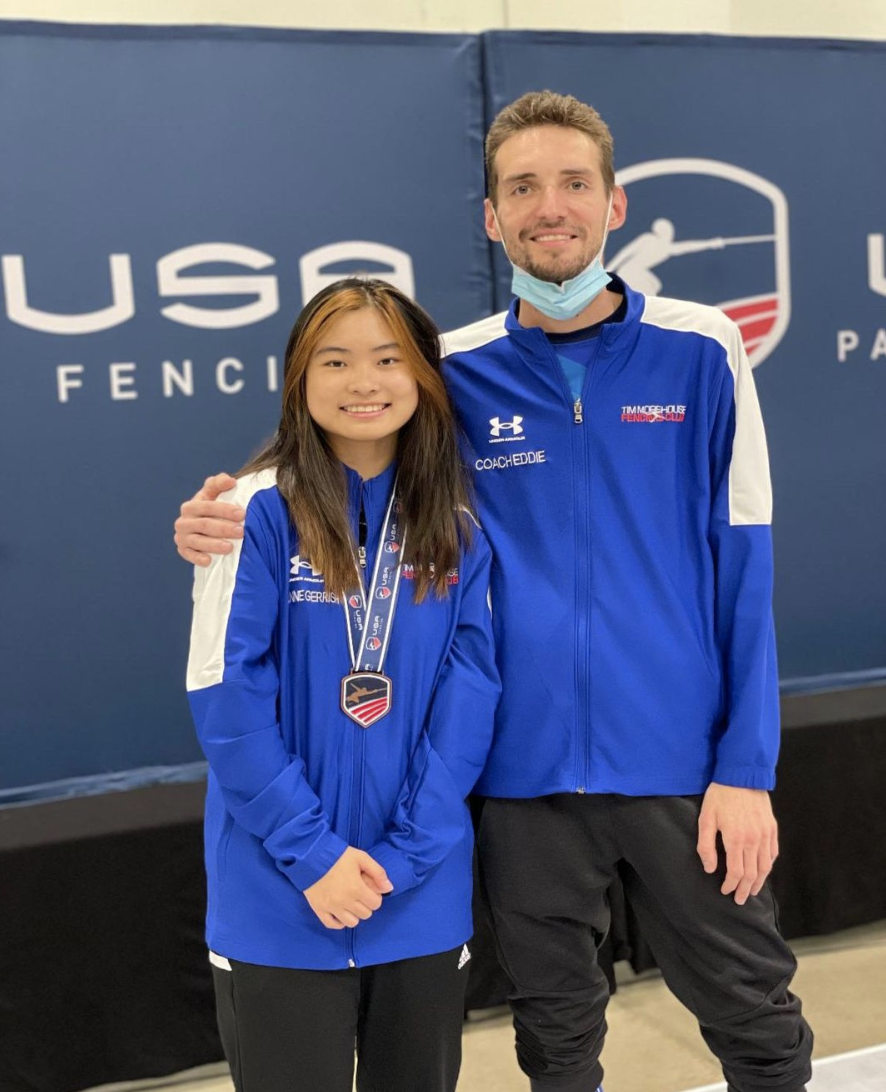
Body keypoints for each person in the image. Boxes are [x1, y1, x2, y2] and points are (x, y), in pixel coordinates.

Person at [176, 92, 813, 1092]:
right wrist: (215, 515)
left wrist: (747, 766)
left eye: (573, 183)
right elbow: (342, 454)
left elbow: (746, 564)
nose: (548, 206)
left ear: (615, 204)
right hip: (518, 781)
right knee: (555, 1042)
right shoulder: (452, 370)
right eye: (522, 187)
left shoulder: (703, 348)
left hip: (683, 769)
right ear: (491, 215)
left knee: (757, 1022)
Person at [186, 277, 500, 1092]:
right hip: (279, 898)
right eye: (335, 361)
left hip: (415, 898)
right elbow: (227, 703)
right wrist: (314, 856)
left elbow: (468, 702)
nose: (364, 382)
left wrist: (405, 857)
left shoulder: (458, 526)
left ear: (422, 375)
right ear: (299, 377)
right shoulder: (249, 514)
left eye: (388, 359)